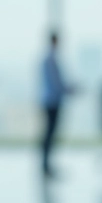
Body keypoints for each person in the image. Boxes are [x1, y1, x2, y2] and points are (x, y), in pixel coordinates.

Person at [40, 32, 73, 178]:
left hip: (51, 101)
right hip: (52, 102)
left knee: (50, 134)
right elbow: (57, 84)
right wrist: (70, 90)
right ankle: (46, 166)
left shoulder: (49, 59)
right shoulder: (51, 60)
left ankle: (47, 165)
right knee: (49, 134)